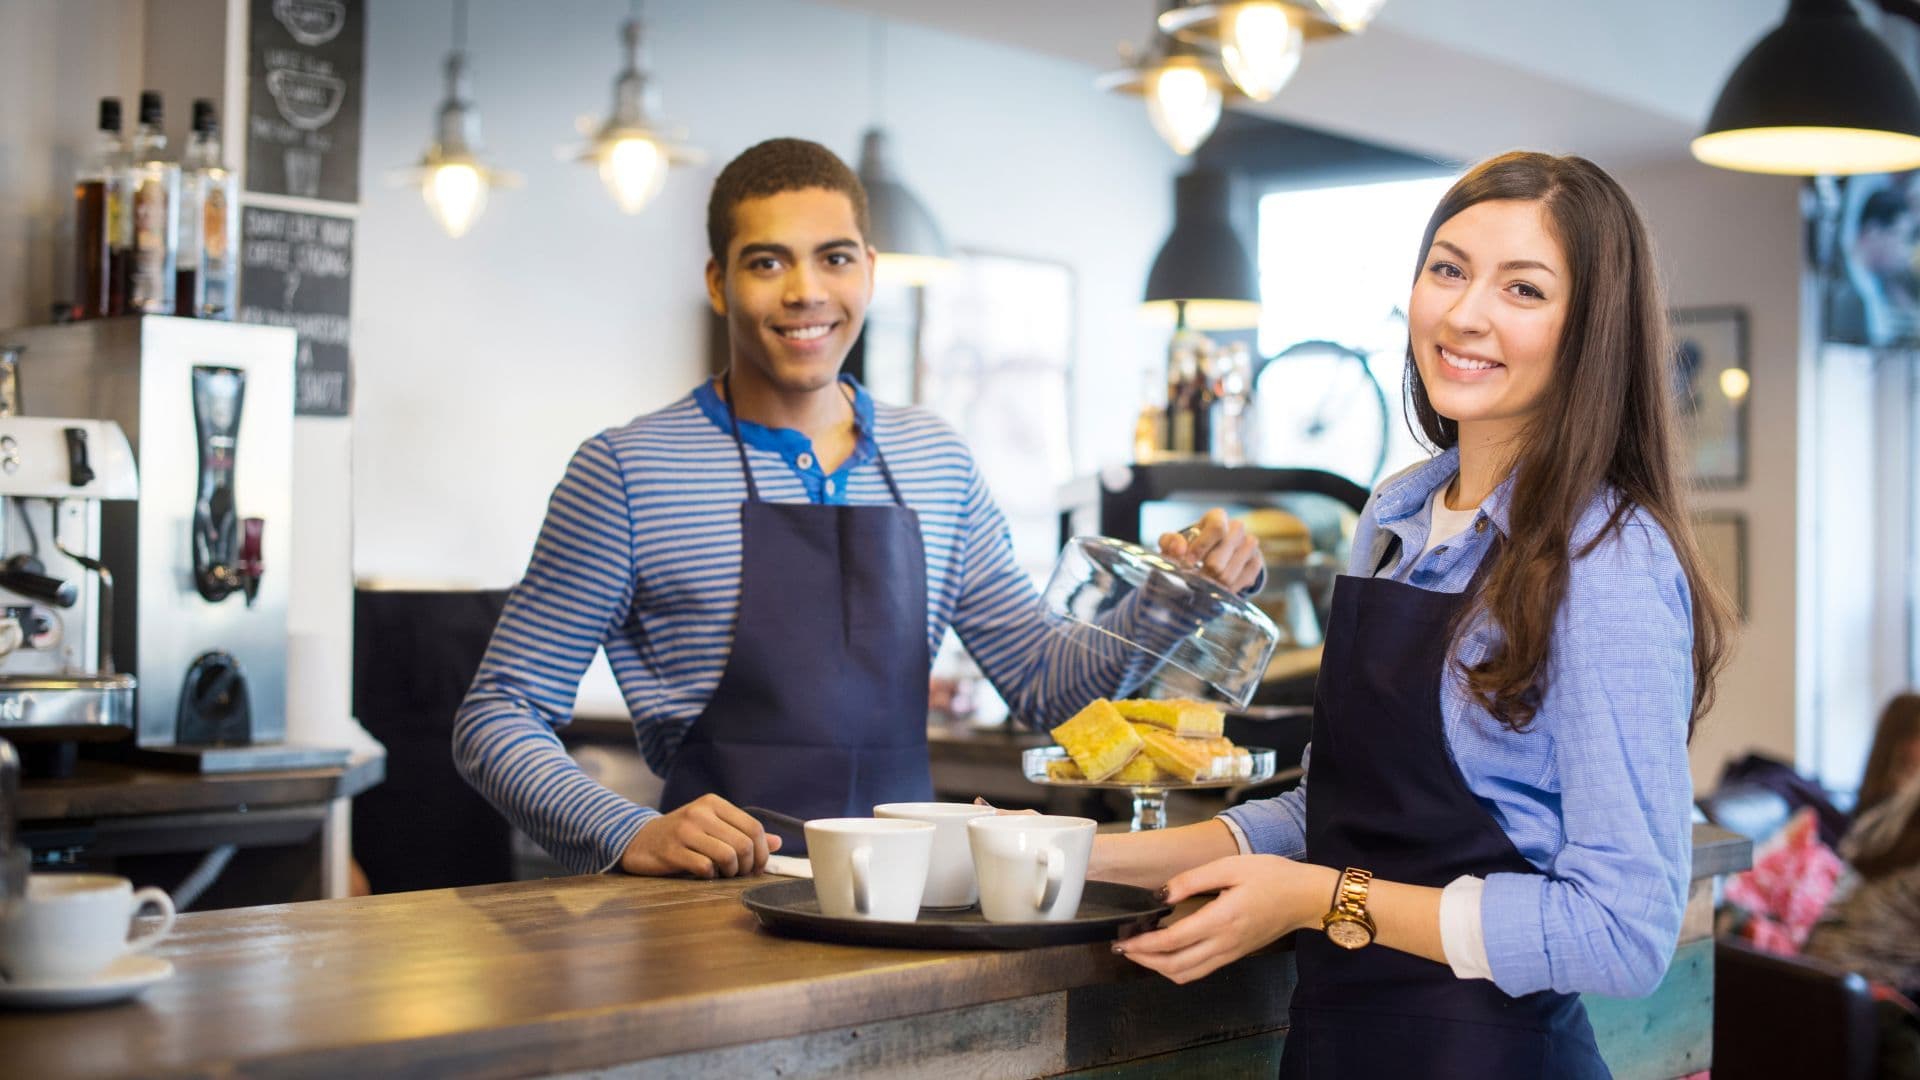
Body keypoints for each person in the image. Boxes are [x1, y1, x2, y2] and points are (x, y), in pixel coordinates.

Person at [1084, 151, 1736, 1077]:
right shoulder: (1395, 518)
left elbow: (1622, 931)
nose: (1465, 313)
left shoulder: (1608, 557)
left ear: (1590, 329)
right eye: (1448, 268)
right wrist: (1086, 856)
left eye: (1523, 288)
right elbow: (1341, 813)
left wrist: (1317, 901)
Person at [452, 137, 1260, 880]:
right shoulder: (629, 471)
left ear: (869, 270)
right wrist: (625, 830)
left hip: (913, 899)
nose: (807, 292)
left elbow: (1050, 693)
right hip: (707, 905)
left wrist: (1171, 594)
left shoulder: (934, 460)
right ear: (717, 282)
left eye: (833, 259)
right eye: (767, 263)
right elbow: (497, 715)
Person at [1802, 693, 1920, 999]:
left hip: (1830, 968)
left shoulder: (1877, 819)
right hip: (1867, 984)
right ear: (1904, 744)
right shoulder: (1896, 816)